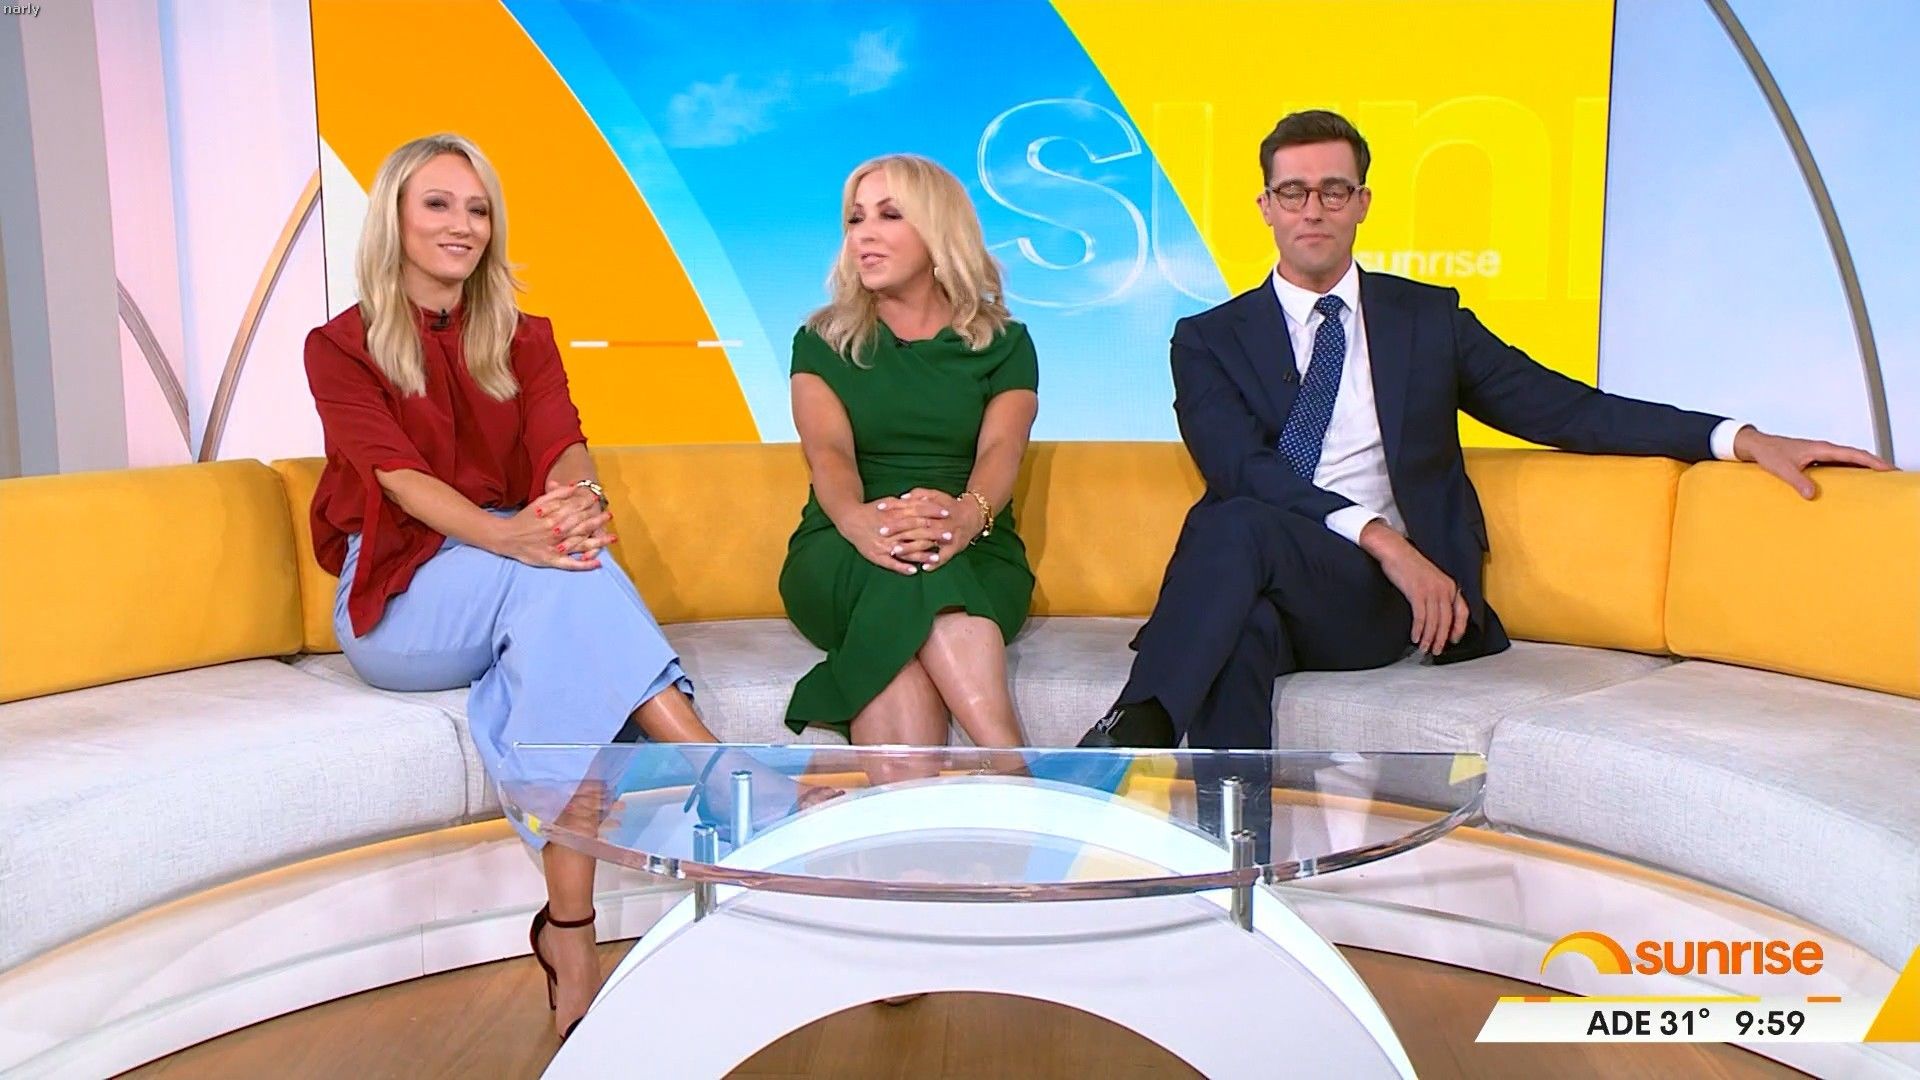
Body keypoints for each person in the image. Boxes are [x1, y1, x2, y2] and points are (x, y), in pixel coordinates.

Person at [1079, 108, 1892, 759]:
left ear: (1362, 203)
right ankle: (1235, 869)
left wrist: (1737, 437)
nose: (1313, 209)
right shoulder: (1207, 340)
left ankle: (1132, 729)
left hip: (1383, 600)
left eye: (1333, 190)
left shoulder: (1426, 320)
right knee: (1242, 607)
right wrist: (1380, 535)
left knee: (1236, 525)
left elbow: (1568, 409)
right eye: (1293, 192)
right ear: (1265, 207)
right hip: (1279, 578)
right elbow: (1240, 467)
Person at [303, 133, 726, 1041]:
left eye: (478, 209)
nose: (462, 224)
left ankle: (569, 931)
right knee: (560, 578)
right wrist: (511, 536)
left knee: (561, 603)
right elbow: (396, 478)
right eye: (438, 204)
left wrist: (578, 503)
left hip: (517, 582)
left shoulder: (525, 339)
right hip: (399, 599)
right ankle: (717, 771)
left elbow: (562, 442)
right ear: (394, 219)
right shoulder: (339, 346)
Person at [780, 153, 1041, 769]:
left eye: (889, 216)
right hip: (843, 543)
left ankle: (909, 827)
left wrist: (964, 517)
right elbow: (829, 454)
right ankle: (1018, 772)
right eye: (855, 219)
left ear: (937, 229)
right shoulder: (820, 342)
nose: (863, 235)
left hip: (974, 542)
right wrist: (860, 522)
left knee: (913, 602)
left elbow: (1002, 449)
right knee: (908, 570)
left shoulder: (1005, 344)